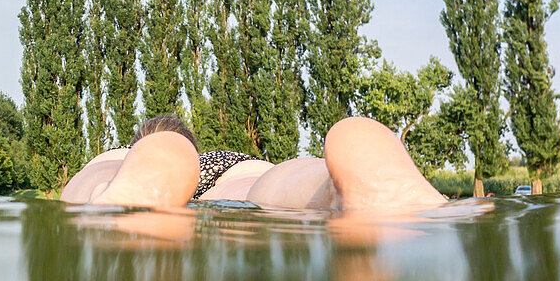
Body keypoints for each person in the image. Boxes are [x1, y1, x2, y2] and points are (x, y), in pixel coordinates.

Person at [61, 114, 445, 213]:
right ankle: (329, 189)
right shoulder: (216, 160)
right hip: (229, 168)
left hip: (135, 160)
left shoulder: (129, 154)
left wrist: (126, 162)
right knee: (260, 184)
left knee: (106, 167)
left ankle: (105, 192)